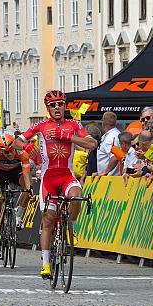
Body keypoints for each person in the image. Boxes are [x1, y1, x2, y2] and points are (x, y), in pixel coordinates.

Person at [12, 90, 97, 279]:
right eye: (53, 105)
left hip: (66, 175)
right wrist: (28, 147)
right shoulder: (40, 126)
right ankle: (45, 264)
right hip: (49, 177)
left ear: (65, 105)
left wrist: (67, 137)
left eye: (60, 104)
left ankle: (71, 227)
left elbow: (91, 144)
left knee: (77, 195)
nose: (57, 107)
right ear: (48, 108)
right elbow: (16, 142)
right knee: (48, 219)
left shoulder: (73, 124)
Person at [0, 133, 32, 228]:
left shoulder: (22, 153)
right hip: (0, 173)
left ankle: (19, 215)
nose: (9, 154)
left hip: (15, 171)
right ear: (1, 151)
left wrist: (29, 190)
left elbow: (26, 174)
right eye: (6, 152)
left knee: (29, 187)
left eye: (11, 151)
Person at [96, 112, 120, 176]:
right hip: (110, 177)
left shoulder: (111, 137)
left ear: (103, 123)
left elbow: (115, 157)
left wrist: (105, 173)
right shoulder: (115, 134)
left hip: (110, 179)